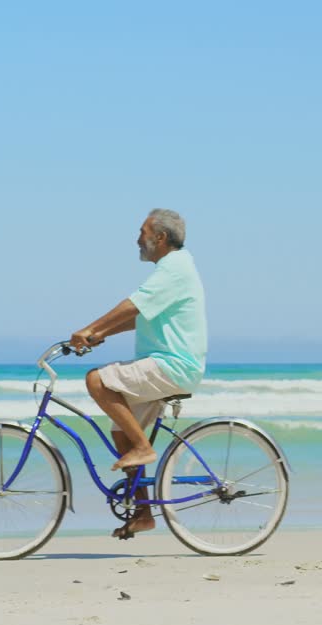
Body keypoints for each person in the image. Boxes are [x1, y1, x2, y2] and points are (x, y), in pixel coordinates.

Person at [70, 208, 207, 539]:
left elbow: (133, 305)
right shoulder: (175, 267)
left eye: (142, 232)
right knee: (122, 432)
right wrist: (102, 334)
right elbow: (142, 317)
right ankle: (144, 514)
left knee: (96, 380)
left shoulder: (173, 269)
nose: (137, 239)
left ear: (159, 237)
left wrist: (90, 327)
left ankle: (145, 447)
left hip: (172, 364)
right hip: (166, 364)